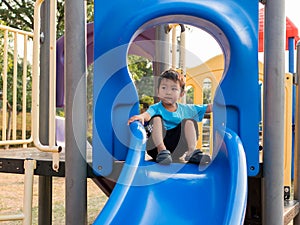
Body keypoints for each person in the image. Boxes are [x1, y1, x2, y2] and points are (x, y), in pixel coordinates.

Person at [127, 69, 212, 165]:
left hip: (177, 147)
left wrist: (222, 103)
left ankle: (191, 152)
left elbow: (208, 108)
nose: (168, 92)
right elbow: (147, 115)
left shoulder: (185, 109)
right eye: (164, 88)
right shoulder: (156, 108)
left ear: (181, 94)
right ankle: (162, 151)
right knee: (156, 118)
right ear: (158, 91)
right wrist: (141, 116)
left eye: (173, 89)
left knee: (189, 121)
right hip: (156, 147)